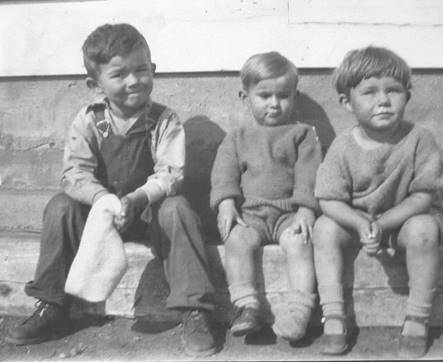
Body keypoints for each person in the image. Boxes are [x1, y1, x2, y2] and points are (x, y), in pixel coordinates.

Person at [6, 23, 218, 357]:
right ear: (95, 85)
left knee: (177, 207)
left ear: (154, 70)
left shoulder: (164, 121)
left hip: (149, 213)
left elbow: (171, 173)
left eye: (141, 69)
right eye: (119, 74)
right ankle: (53, 305)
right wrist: (103, 201)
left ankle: (195, 309)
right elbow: (75, 172)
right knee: (61, 206)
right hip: (100, 218)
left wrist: (136, 199)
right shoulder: (89, 120)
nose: (134, 80)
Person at [312, 46, 443, 358]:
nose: (383, 101)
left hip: (408, 219)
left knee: (424, 229)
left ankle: (418, 316)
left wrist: (383, 224)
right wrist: (361, 223)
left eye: (394, 91)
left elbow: (424, 195)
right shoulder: (343, 147)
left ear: (408, 96)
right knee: (324, 229)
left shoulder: (419, 139)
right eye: (369, 92)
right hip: (359, 221)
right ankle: (333, 314)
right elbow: (329, 200)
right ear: (347, 102)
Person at [210, 51, 322, 342]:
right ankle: (247, 305)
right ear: (245, 97)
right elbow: (224, 174)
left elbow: (309, 174)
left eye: (283, 95)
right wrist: (226, 204)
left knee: (300, 242)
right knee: (236, 240)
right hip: (251, 214)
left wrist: (306, 210)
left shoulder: (302, 134)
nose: (274, 103)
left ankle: (300, 309)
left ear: (294, 96)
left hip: (289, 215)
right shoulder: (237, 137)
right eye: (264, 95)